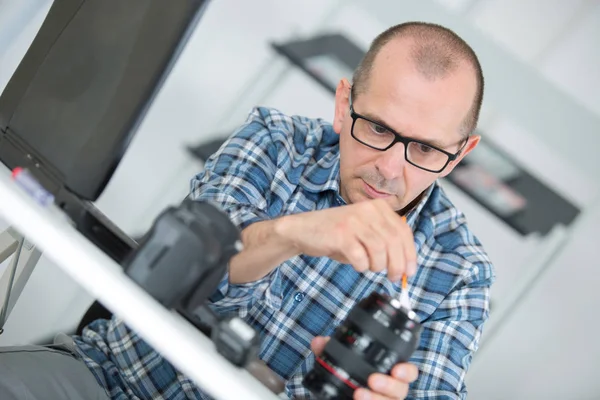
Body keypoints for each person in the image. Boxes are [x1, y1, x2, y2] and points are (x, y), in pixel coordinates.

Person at [0, 21, 494, 400]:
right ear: (344, 104)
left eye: (427, 150)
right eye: (379, 129)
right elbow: (186, 271)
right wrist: (295, 233)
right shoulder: (277, 141)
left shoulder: (461, 272)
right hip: (114, 381)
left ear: (461, 153)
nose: (388, 167)